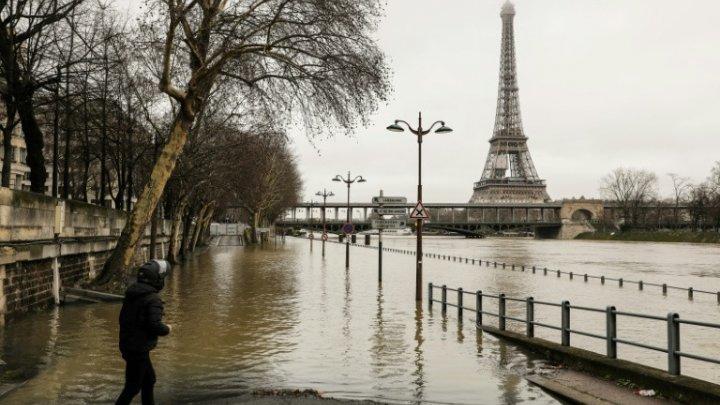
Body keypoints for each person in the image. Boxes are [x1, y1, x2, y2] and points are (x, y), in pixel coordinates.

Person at [116, 259, 172, 405]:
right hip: (138, 349)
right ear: (157, 280)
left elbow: (124, 319)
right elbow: (154, 325)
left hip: (129, 345)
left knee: (149, 380)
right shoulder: (153, 300)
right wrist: (167, 329)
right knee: (132, 387)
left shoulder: (131, 295)